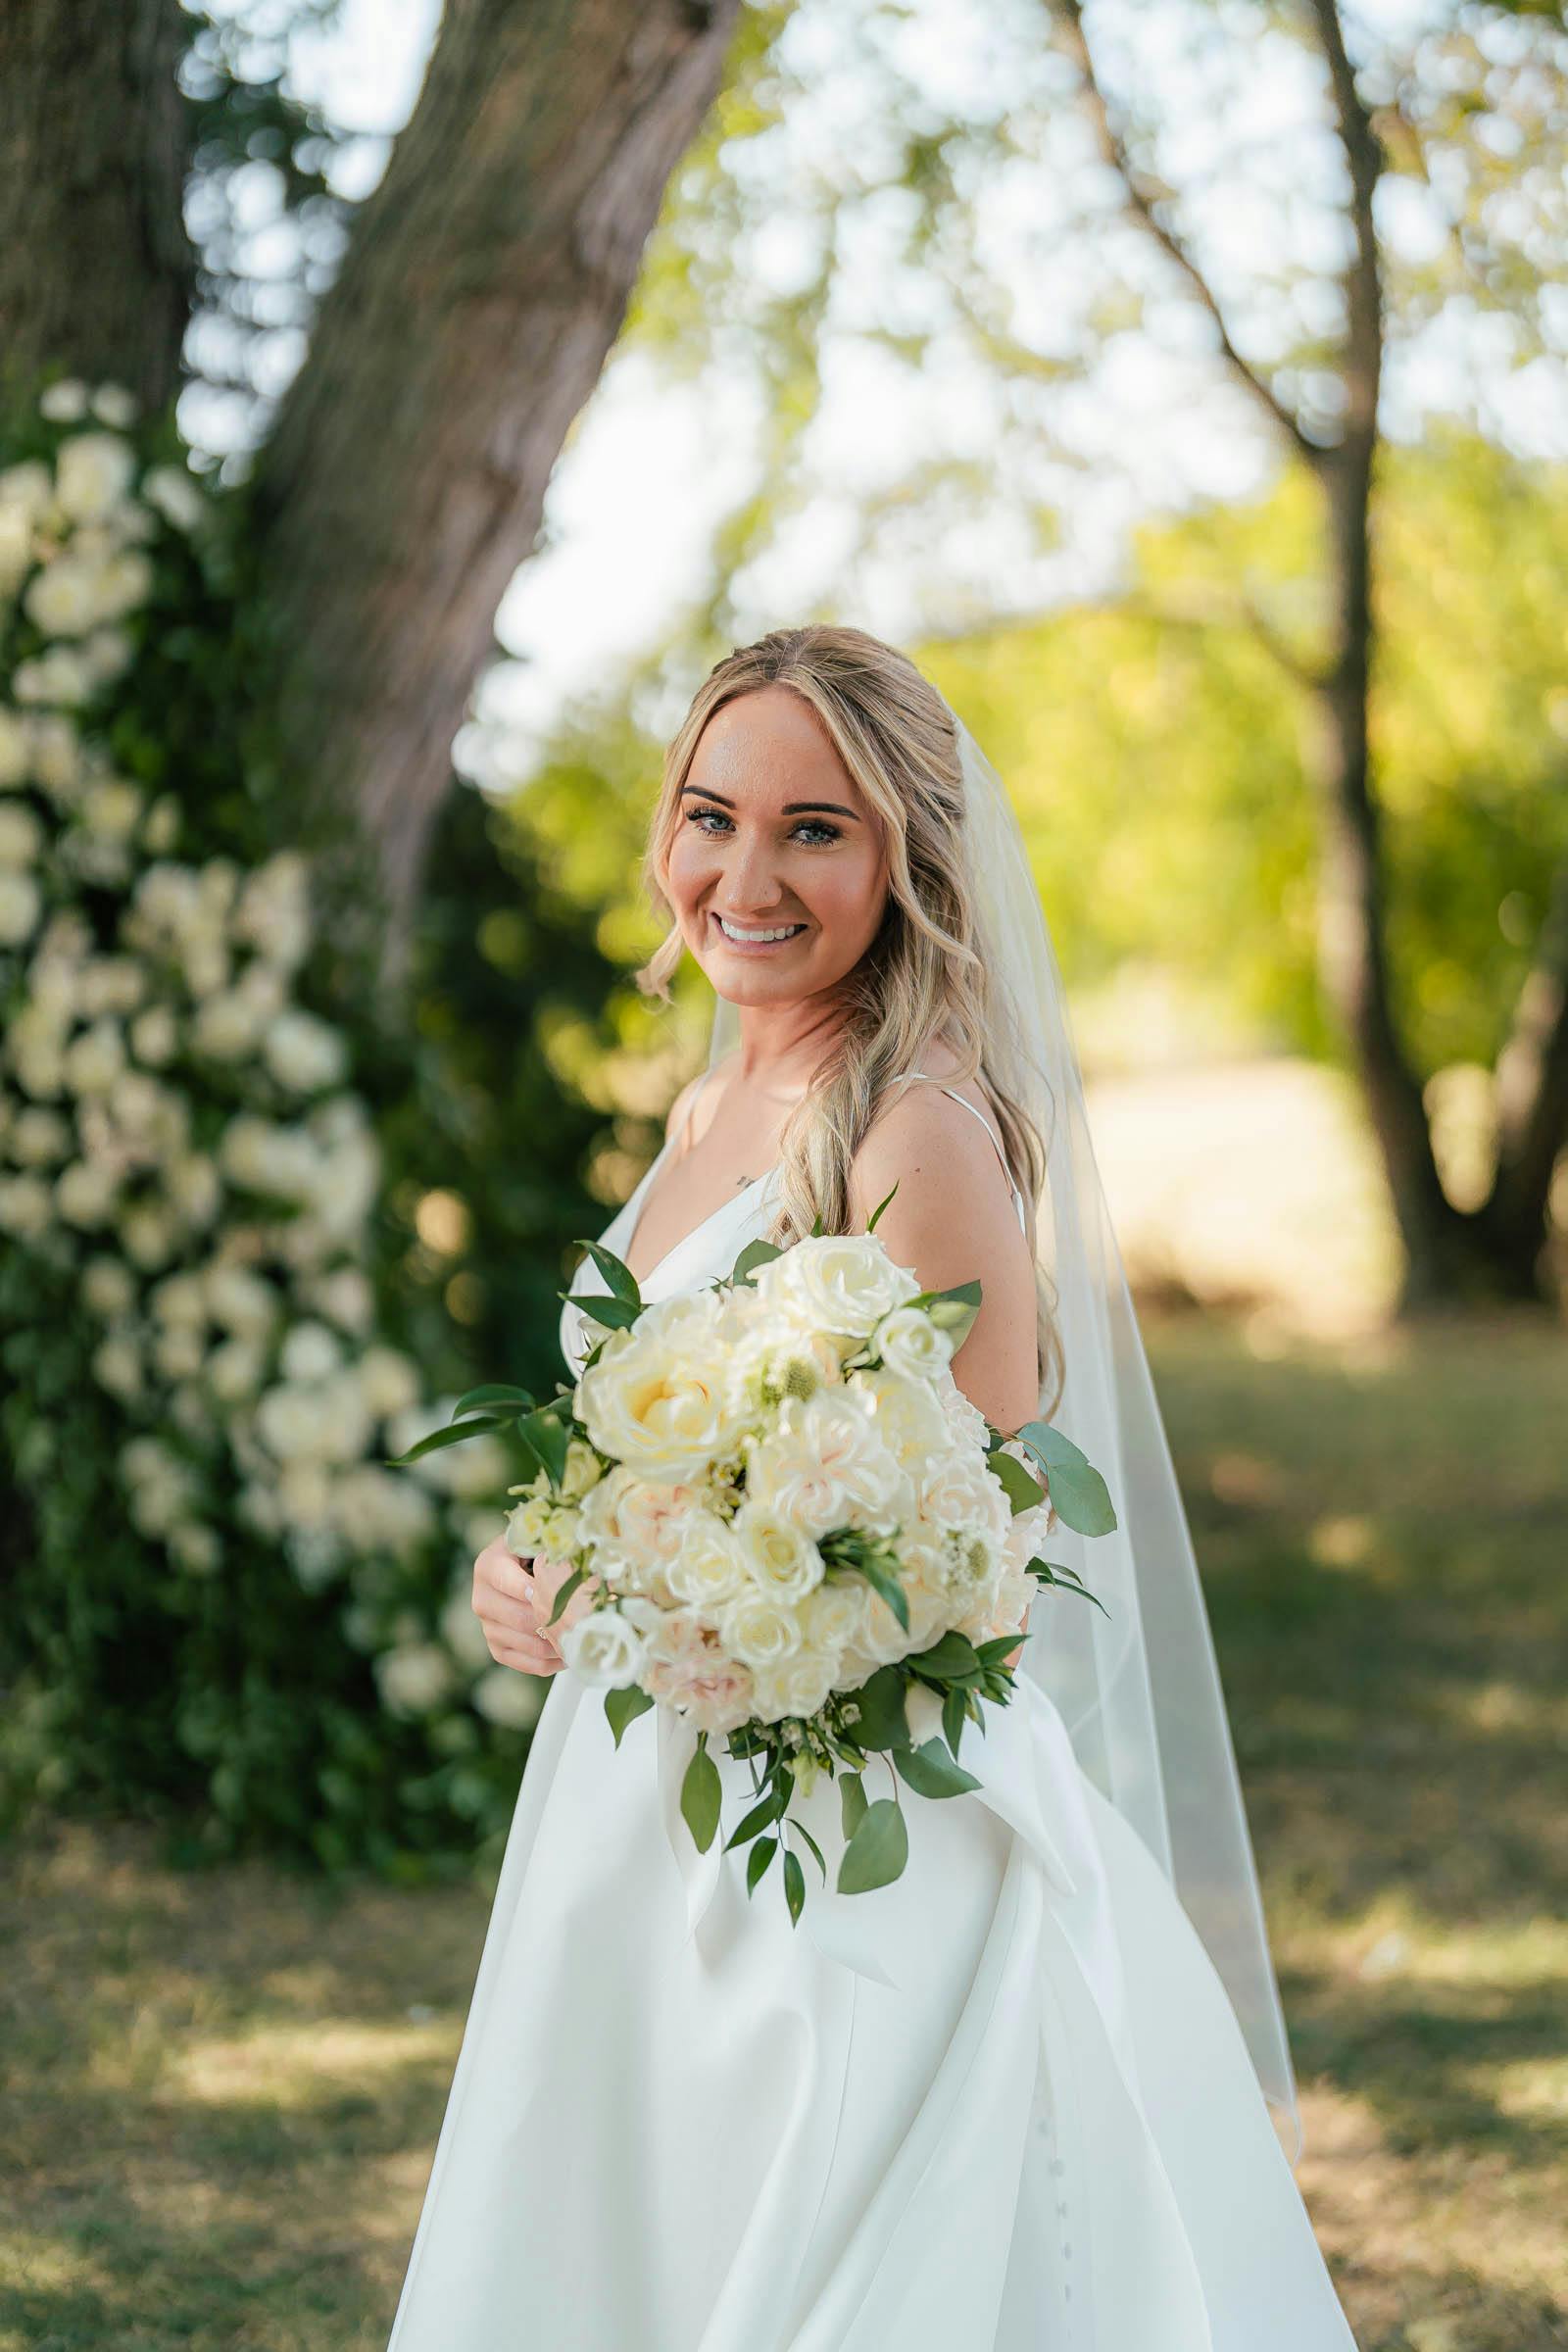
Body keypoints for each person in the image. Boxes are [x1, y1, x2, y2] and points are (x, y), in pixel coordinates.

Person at [385, 625, 1362, 2350]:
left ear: (908, 853)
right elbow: (641, 1452)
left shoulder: (915, 1126)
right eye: (711, 815)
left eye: (814, 829)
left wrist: (712, 1598)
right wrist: (543, 1567)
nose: (743, 875)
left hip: (851, 1844)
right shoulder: (709, 1103)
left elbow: (979, 1550)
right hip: (635, 1807)